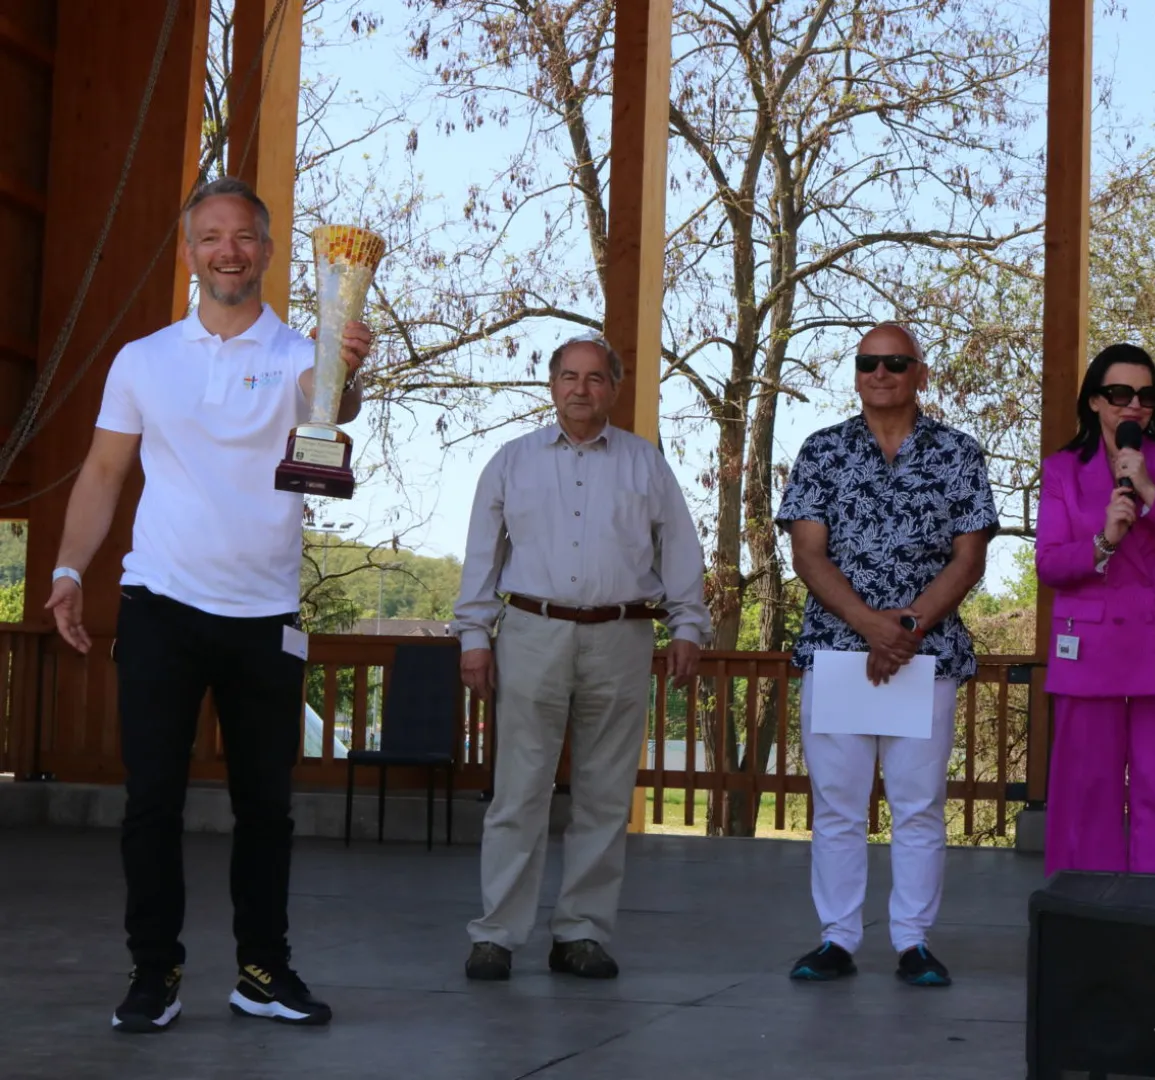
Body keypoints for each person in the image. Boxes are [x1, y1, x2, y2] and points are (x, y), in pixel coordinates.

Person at [45, 177, 374, 1032]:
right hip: (161, 604)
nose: (228, 251)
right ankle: (154, 972)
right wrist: (71, 569)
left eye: (244, 237)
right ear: (190, 253)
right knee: (151, 802)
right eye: (211, 237)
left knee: (265, 809)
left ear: (266, 251)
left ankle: (263, 972)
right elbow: (104, 472)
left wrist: (345, 366)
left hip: (265, 616)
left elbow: (333, 409)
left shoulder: (301, 352)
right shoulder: (143, 359)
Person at [455, 335, 709, 983]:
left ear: (613, 389)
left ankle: (582, 933)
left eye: (595, 378)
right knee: (519, 791)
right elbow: (482, 556)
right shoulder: (511, 462)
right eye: (569, 376)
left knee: (604, 794)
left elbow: (681, 550)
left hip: (621, 635)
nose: (580, 388)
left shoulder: (646, 464)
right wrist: (474, 637)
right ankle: (497, 935)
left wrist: (688, 626)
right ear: (551, 384)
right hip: (531, 631)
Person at [776, 322, 997, 987]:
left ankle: (913, 943)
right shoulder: (822, 450)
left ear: (920, 374)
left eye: (896, 362)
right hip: (838, 654)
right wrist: (873, 627)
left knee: (918, 805)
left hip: (925, 657)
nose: (880, 373)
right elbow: (807, 553)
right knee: (837, 808)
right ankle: (837, 939)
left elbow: (969, 557)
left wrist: (906, 629)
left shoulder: (958, 453)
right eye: (868, 362)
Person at [1035, 343, 1155, 877]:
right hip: (1090, 649)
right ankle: (1084, 909)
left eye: (1146, 394)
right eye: (1119, 393)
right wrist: (1103, 541)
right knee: (1084, 791)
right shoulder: (1063, 470)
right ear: (1095, 400)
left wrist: (1148, 489)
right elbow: (1049, 563)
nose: (1133, 404)